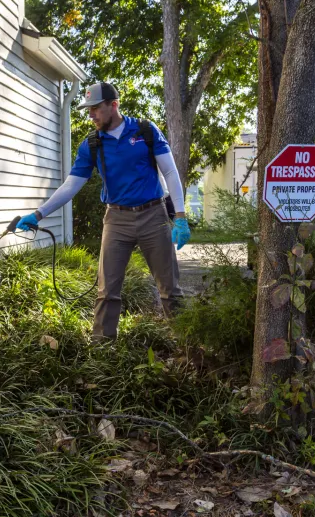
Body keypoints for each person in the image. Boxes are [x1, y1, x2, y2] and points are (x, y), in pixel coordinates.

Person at [16, 82, 191, 341]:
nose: (91, 115)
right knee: (107, 290)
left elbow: (170, 172)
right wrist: (39, 213)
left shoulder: (145, 131)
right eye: (89, 109)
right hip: (116, 219)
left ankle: (186, 347)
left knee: (170, 290)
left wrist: (180, 216)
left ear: (114, 105)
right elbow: (72, 184)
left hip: (153, 215)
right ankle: (101, 350)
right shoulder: (91, 144)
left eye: (96, 108)